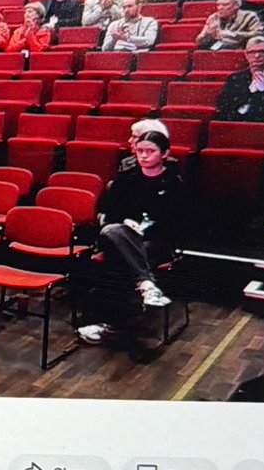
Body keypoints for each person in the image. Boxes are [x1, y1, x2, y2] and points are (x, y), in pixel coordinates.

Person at [77, 131, 184, 345]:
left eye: (150, 151)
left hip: (157, 242)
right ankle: (146, 285)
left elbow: (178, 225)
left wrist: (146, 231)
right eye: (140, 151)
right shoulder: (127, 179)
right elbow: (108, 213)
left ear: (165, 154)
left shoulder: (175, 184)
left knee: (115, 258)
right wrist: (127, 221)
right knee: (112, 232)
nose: (143, 156)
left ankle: (109, 324)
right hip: (125, 237)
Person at [214, 37, 264, 137]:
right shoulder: (234, 78)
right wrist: (250, 94)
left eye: (262, 51)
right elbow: (224, 107)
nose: (256, 56)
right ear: (246, 55)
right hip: (237, 130)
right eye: (252, 52)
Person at [195, 0, 262, 50]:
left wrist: (232, 34)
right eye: (218, 5)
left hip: (240, 49)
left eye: (225, 4)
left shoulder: (249, 16)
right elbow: (198, 42)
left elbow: (259, 35)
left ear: (237, 5)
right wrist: (207, 34)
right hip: (218, 50)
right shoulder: (213, 17)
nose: (220, 8)